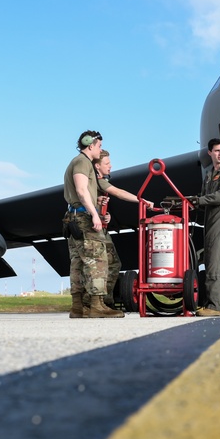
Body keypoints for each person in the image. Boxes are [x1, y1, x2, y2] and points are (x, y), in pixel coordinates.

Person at [62, 130, 122, 318]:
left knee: (78, 263)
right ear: (91, 145)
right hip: (83, 219)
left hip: (73, 218)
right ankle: (97, 305)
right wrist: (95, 214)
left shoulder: (79, 162)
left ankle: (78, 307)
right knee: (97, 260)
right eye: (99, 146)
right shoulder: (82, 162)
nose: (100, 149)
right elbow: (81, 190)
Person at [92, 148, 154, 309]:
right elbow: (118, 192)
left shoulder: (100, 181)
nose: (110, 166)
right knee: (97, 266)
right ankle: (97, 302)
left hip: (101, 228)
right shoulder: (94, 181)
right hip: (91, 230)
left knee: (113, 264)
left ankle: (106, 300)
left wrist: (105, 217)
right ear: (97, 166)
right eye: (107, 163)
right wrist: (142, 201)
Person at [188, 138, 220, 316]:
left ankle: (216, 306)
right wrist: (192, 200)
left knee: (215, 258)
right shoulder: (209, 174)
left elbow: (219, 197)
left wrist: (199, 200)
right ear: (210, 152)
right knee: (209, 258)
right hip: (210, 219)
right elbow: (204, 198)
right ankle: (210, 303)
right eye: (216, 151)